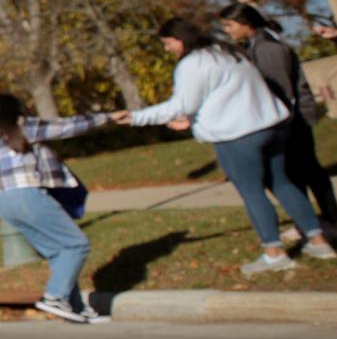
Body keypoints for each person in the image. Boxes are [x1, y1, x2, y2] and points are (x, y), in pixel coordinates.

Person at [129, 17, 337, 273]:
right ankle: (318, 241)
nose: (167, 49)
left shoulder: (192, 64)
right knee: (282, 182)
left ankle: (274, 253)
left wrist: (134, 117)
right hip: (271, 126)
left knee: (252, 192)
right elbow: (224, 96)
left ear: (180, 40)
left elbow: (181, 104)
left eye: (167, 43)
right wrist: (193, 119)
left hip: (237, 136)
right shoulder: (225, 52)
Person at [0, 95, 119, 324]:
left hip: (2, 201)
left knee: (57, 251)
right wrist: (107, 117)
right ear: (17, 110)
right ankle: (55, 296)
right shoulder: (22, 126)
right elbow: (66, 127)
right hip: (26, 194)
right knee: (76, 244)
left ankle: (75, 309)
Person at [219, 1, 337, 239]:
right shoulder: (256, 45)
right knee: (294, 172)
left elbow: (282, 91)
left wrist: (274, 122)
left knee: (308, 171)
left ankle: (329, 220)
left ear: (246, 23)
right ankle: (309, 221)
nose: (227, 31)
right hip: (285, 121)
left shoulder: (267, 49)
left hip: (292, 121)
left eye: (229, 25)